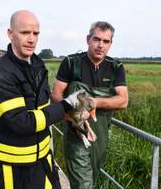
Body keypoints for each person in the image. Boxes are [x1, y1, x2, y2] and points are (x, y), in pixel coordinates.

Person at [0, 10, 85, 189]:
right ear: (10, 33)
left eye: (36, 33)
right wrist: (67, 104)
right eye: (25, 32)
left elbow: (43, 108)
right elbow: (23, 122)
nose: (31, 39)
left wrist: (74, 114)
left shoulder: (37, 65)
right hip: (11, 171)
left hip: (43, 163)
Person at [51, 21, 129, 189]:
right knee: (83, 184)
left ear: (110, 44)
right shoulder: (71, 63)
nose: (100, 45)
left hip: (100, 135)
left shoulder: (115, 67)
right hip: (76, 135)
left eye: (106, 41)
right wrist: (72, 116)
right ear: (88, 39)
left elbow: (123, 100)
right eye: (96, 39)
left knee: (92, 177)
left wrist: (95, 102)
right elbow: (56, 95)